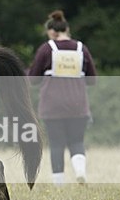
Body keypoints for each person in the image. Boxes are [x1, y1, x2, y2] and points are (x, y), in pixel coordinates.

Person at [28, 10, 97, 185]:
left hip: (53, 107)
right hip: (78, 105)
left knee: (57, 144)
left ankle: (59, 184)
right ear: (67, 29)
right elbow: (92, 80)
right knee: (76, 141)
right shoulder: (82, 48)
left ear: (52, 32)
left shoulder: (47, 49)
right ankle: (80, 172)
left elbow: (33, 80)